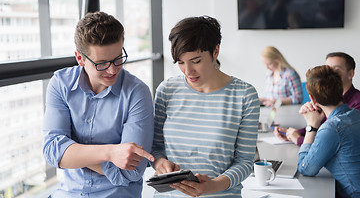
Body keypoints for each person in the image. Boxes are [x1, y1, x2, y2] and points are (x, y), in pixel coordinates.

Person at [42, 11, 154, 198]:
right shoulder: (61, 84)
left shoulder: (137, 93)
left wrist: (73, 150)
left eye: (118, 59)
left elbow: (131, 171)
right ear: (80, 58)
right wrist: (110, 152)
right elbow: (52, 152)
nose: (112, 70)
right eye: (102, 63)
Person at [151, 16, 260, 197]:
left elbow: (245, 162)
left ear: (215, 51)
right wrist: (160, 162)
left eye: (196, 61)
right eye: (180, 62)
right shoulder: (166, 90)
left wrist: (213, 186)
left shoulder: (244, 95)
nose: (188, 71)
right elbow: (155, 147)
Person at [297, 65, 360, 198]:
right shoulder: (356, 114)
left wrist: (312, 126)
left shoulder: (332, 128)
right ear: (341, 89)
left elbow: (305, 168)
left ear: (312, 99)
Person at [274, 52, 360, 145]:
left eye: (336, 70)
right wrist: (293, 133)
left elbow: (331, 142)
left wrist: (298, 139)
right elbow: (320, 127)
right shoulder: (328, 98)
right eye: (328, 70)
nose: (331, 75)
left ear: (351, 74)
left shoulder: (357, 103)